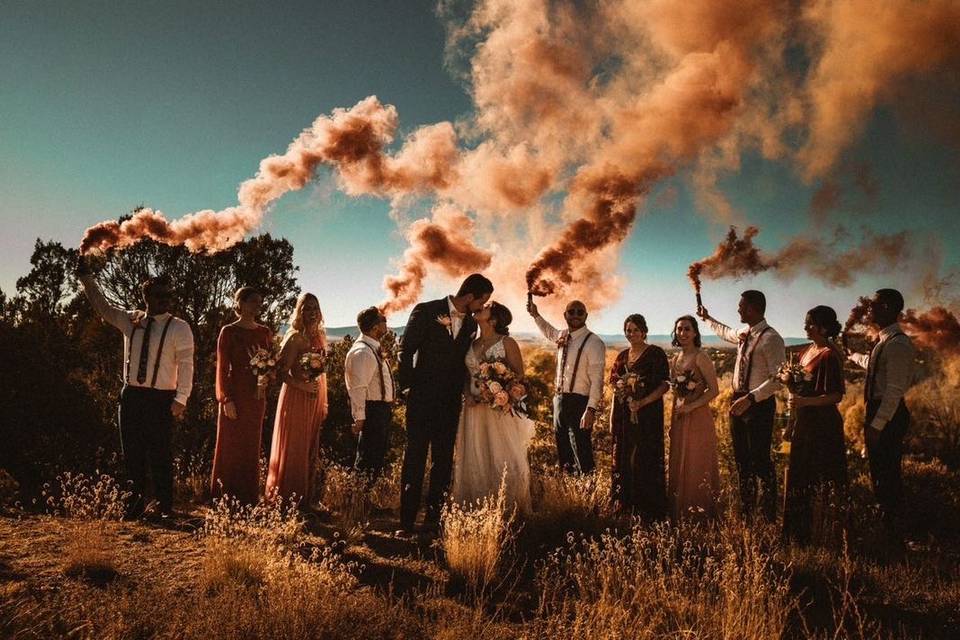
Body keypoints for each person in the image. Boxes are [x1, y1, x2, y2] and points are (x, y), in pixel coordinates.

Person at [76, 257, 194, 518]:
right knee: (132, 454)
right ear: (146, 297)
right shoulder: (130, 320)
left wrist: (181, 398)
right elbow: (102, 307)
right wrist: (86, 278)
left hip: (162, 398)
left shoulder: (179, 327)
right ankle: (133, 507)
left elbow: (187, 365)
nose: (165, 300)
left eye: (168, 295)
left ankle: (165, 507)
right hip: (131, 396)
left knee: (160, 454)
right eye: (159, 295)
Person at [397, 273, 493, 533]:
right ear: (470, 296)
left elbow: (462, 360)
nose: (482, 307)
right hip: (421, 399)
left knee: (443, 461)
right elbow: (405, 350)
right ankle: (406, 522)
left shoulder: (471, 325)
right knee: (415, 458)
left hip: (450, 403)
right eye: (482, 301)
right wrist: (407, 387)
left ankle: (433, 520)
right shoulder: (427, 311)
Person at [699, 290, 785, 520]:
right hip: (737, 400)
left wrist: (751, 398)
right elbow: (726, 332)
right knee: (742, 461)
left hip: (758, 404)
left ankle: (768, 515)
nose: (738, 309)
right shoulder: (744, 333)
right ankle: (747, 512)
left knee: (760, 460)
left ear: (754, 308)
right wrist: (707, 318)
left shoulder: (771, 338)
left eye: (741, 306)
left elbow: (779, 379)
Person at [452, 302, 534, 512]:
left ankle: (507, 506)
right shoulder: (471, 343)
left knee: (502, 455)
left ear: (494, 319)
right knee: (476, 454)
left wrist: (502, 393)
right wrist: (468, 395)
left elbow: (520, 379)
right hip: (473, 409)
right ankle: (475, 507)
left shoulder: (507, 343)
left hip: (498, 411)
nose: (479, 307)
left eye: (486, 307)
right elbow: (464, 376)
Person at [847, 289, 915, 537]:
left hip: (888, 413)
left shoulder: (898, 344)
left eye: (874, 304)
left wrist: (877, 425)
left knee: (887, 471)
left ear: (886, 307)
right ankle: (886, 521)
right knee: (879, 469)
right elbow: (873, 366)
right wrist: (851, 354)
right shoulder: (885, 341)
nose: (868, 308)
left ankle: (893, 528)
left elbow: (894, 391)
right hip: (880, 411)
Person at [782, 305, 848, 545]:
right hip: (804, 421)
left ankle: (821, 534)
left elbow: (836, 396)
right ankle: (796, 533)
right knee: (799, 475)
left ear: (823, 327)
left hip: (823, 425)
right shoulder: (806, 352)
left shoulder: (829, 355)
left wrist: (805, 401)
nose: (805, 326)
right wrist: (791, 422)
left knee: (818, 476)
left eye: (810, 323)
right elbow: (797, 392)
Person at [210, 287, 273, 505]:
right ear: (241, 303)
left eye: (260, 302)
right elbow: (222, 368)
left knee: (250, 446)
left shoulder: (264, 332)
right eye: (253, 301)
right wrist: (225, 399)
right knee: (230, 444)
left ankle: (248, 498)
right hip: (234, 393)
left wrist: (263, 382)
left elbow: (268, 364)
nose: (257, 306)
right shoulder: (229, 331)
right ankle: (224, 497)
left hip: (256, 396)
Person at [527, 298, 605, 474]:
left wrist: (590, 409)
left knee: (581, 448)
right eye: (572, 311)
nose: (576, 315)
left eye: (580, 312)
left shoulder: (594, 343)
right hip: (560, 400)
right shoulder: (562, 335)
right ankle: (568, 486)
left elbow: (597, 380)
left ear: (586, 315)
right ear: (565, 315)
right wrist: (535, 314)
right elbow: (549, 331)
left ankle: (587, 488)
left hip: (581, 401)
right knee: (562, 446)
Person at [265, 293, 328, 505]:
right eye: (307, 308)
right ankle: (289, 499)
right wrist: (302, 385)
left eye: (315, 308)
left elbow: (322, 374)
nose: (312, 313)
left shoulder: (320, 337)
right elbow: (280, 373)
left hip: (314, 397)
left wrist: (323, 400)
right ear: (300, 311)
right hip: (296, 397)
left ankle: (307, 498)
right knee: (296, 446)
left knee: (310, 446)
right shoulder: (295, 338)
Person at [609, 314, 670, 520]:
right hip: (624, 414)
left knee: (644, 457)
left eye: (635, 330)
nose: (631, 334)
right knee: (624, 457)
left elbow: (664, 385)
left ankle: (648, 510)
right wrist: (612, 418)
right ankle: (625, 506)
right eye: (628, 330)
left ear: (644, 331)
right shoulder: (621, 357)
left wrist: (642, 402)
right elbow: (614, 389)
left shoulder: (655, 354)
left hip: (648, 414)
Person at [668, 315, 720, 520]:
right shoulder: (675, 359)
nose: (683, 333)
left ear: (695, 332)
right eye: (679, 329)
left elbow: (714, 390)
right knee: (679, 459)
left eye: (687, 329)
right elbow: (676, 393)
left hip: (698, 416)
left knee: (697, 462)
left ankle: (699, 514)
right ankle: (678, 513)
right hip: (679, 416)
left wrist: (692, 407)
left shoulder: (701, 357)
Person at [345, 306, 395, 477]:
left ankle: (364, 501)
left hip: (379, 410)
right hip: (372, 411)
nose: (386, 322)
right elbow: (358, 388)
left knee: (375, 458)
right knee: (367, 459)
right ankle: (357, 501)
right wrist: (359, 418)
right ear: (374, 328)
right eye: (384, 320)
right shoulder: (363, 352)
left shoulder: (371, 348)